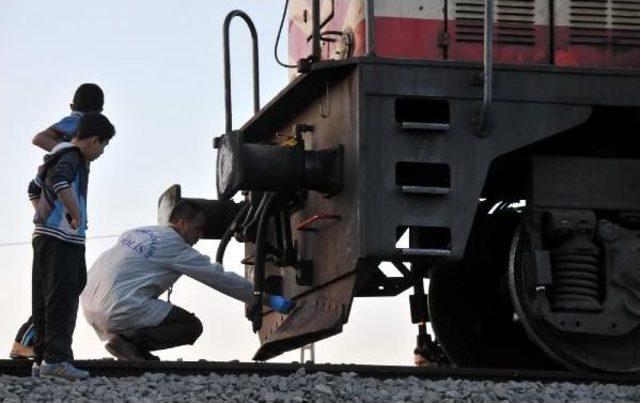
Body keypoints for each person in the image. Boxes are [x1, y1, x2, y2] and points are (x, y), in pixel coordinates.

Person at [81, 200, 295, 361]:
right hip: (118, 307)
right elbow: (220, 279)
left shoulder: (139, 232)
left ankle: (136, 355)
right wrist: (267, 299)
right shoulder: (175, 246)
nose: (200, 235)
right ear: (181, 223)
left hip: (89, 304)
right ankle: (127, 343)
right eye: (198, 228)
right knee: (190, 326)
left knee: (146, 341)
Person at [10, 83, 105, 361]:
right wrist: (68, 149)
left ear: (72, 104)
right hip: (60, 232)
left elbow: (34, 187)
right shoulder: (77, 129)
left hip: (57, 223)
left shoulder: (66, 157)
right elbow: (40, 138)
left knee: (65, 285)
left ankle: (35, 344)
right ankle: (35, 344)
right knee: (61, 289)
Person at [29, 112, 115, 380]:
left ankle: (42, 359)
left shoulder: (56, 155)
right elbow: (60, 181)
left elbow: (33, 189)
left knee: (44, 298)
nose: (102, 152)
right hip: (62, 239)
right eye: (104, 145)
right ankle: (57, 359)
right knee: (63, 297)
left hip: (45, 236)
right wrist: (74, 213)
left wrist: (48, 211)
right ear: (93, 140)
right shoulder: (73, 157)